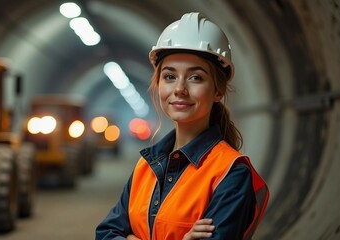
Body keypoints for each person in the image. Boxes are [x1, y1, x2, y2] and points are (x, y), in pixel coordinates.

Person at [96, 12, 269, 240]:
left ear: (218, 90)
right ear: (158, 85)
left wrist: (129, 237)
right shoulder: (146, 166)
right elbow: (106, 233)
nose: (180, 89)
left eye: (195, 77)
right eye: (169, 77)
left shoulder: (231, 174)